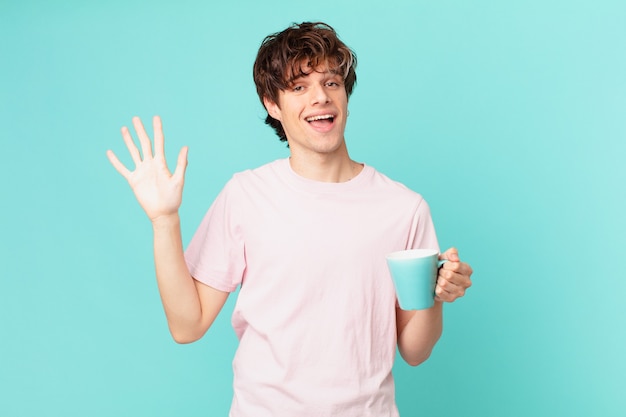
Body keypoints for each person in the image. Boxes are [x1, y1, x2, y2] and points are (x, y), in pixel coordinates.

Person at [107, 22, 473, 417]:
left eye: (331, 82)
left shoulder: (403, 207)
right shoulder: (246, 195)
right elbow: (187, 325)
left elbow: (414, 350)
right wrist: (164, 220)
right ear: (272, 104)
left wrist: (436, 298)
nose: (320, 97)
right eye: (299, 87)